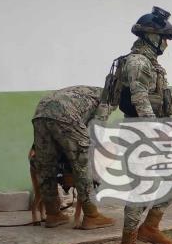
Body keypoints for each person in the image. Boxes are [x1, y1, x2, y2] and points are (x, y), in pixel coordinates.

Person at [113, 7, 172, 244]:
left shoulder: (150, 63)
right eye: (163, 37)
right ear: (151, 37)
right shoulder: (138, 62)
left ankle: (149, 228)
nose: (166, 42)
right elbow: (140, 98)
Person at [32, 86, 115, 229]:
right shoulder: (109, 99)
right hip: (65, 113)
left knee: (46, 166)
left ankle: (53, 214)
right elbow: (96, 129)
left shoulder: (87, 91)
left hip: (40, 112)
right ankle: (91, 216)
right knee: (82, 164)